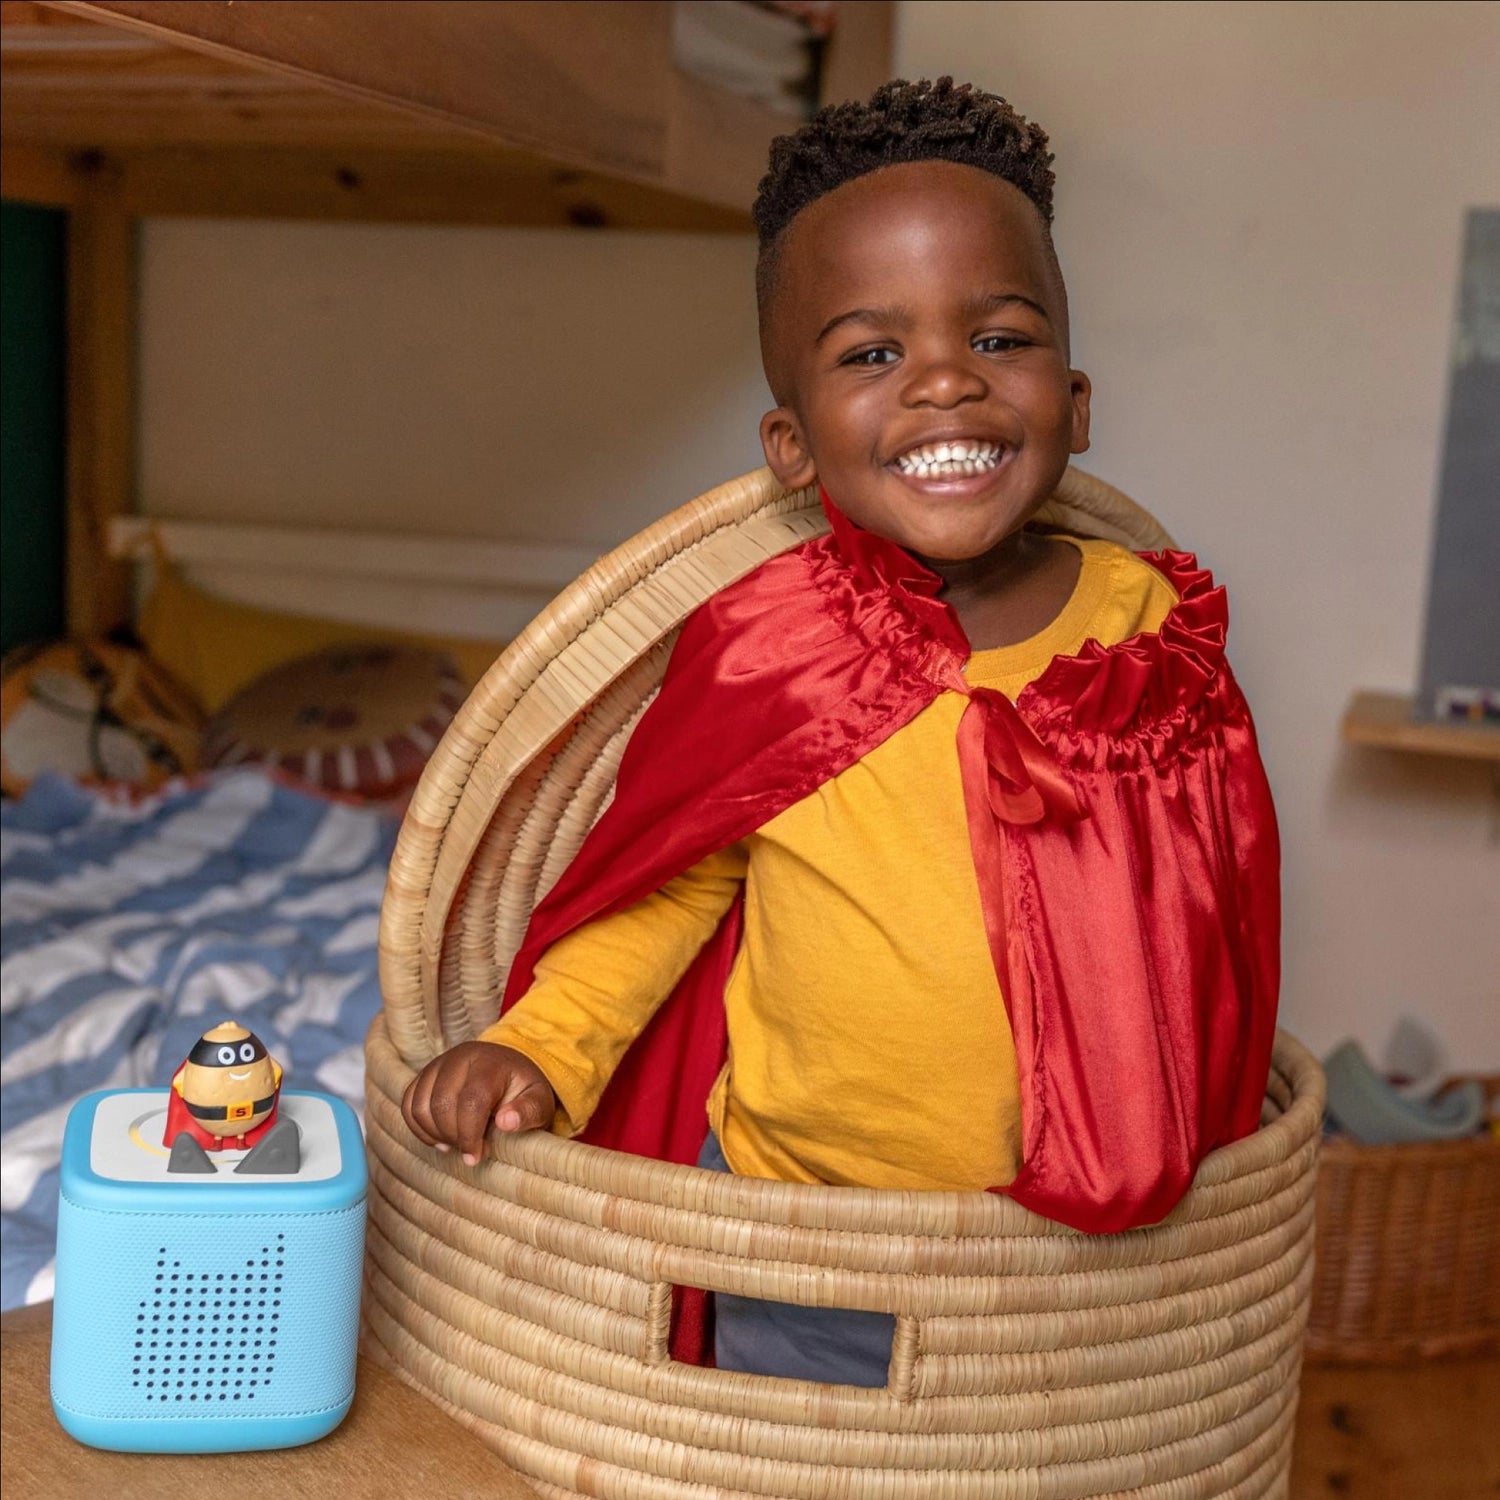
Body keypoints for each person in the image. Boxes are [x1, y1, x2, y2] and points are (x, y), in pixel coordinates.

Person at [402, 78, 1280, 1386]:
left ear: (1076, 401)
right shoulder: (775, 644)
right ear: (792, 444)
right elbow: (665, 889)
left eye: (1000, 338)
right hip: (805, 1231)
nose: (943, 384)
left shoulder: (1144, 628)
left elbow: (1211, 908)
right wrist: (537, 1047)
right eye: (872, 355)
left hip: (1071, 1267)